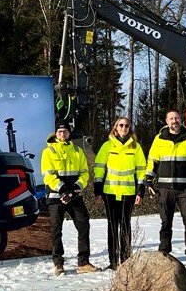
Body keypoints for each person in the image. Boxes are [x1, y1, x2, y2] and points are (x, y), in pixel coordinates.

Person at [145, 109, 186, 267]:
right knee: (165, 222)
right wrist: (149, 180)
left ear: (181, 120)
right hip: (165, 189)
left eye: (177, 118)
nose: (174, 121)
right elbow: (152, 160)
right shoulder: (159, 139)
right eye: (171, 118)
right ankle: (164, 252)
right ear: (166, 121)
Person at [41, 123, 99, 276]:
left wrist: (75, 188)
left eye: (65, 131)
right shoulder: (48, 151)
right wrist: (62, 189)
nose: (62, 134)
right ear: (55, 134)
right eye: (60, 132)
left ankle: (83, 262)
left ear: (69, 133)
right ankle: (58, 263)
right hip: (55, 197)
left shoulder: (78, 150)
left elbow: (84, 172)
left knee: (83, 226)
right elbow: (48, 175)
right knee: (56, 231)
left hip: (75, 196)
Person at [94, 116, 146, 270]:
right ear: (115, 128)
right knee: (112, 227)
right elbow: (99, 169)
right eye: (121, 125)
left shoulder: (135, 147)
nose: (124, 128)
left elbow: (141, 170)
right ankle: (113, 262)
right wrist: (98, 191)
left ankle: (125, 260)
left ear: (130, 128)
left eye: (127, 126)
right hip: (109, 193)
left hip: (128, 194)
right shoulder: (107, 146)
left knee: (125, 227)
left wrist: (140, 192)